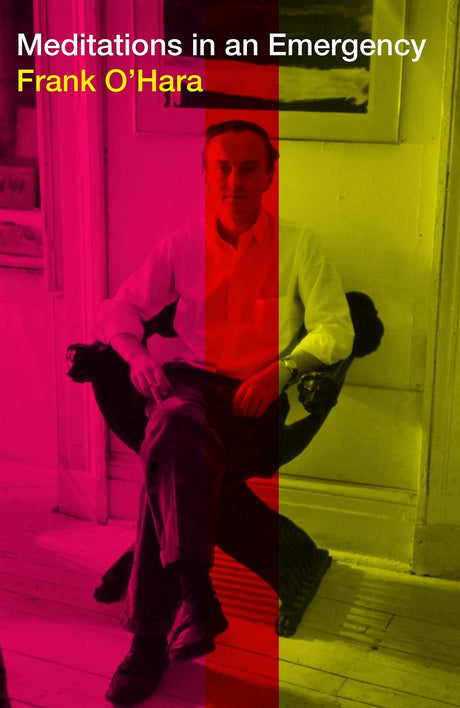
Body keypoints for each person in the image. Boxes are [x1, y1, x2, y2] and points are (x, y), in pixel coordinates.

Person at [94, 120, 354, 705]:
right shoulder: (182, 246)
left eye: (248, 169)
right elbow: (119, 309)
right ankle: (195, 597)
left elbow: (337, 329)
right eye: (224, 169)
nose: (235, 182)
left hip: (252, 401)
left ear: (270, 176)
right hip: (189, 388)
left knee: (170, 461)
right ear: (207, 175)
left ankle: (149, 640)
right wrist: (136, 355)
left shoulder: (300, 246)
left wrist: (281, 370)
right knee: (173, 426)